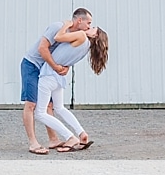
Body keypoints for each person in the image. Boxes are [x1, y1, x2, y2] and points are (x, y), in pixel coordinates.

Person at [21, 8, 93, 155]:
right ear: (79, 20)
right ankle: (33, 143)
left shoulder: (73, 34)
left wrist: (65, 67)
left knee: (51, 106)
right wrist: (55, 66)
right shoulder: (57, 27)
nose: (89, 27)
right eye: (88, 23)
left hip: (47, 70)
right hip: (32, 65)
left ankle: (53, 139)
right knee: (31, 105)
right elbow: (42, 48)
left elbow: (65, 53)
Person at [34, 20, 109, 153]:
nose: (89, 27)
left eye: (93, 28)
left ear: (95, 35)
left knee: (40, 113)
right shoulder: (86, 48)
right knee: (59, 108)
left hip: (49, 75)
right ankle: (82, 134)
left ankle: (70, 137)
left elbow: (58, 37)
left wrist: (66, 25)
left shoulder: (81, 35)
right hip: (59, 77)